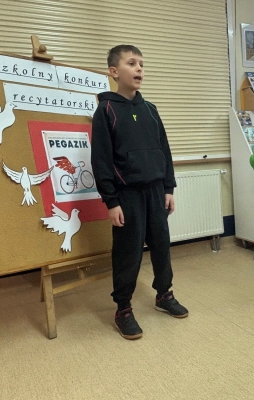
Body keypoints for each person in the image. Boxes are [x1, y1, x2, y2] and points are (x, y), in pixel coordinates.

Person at [91, 44, 188, 340]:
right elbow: (101, 160)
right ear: (114, 71)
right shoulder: (105, 110)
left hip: (156, 191)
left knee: (161, 246)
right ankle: (123, 308)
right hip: (127, 195)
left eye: (142, 64)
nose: (139, 69)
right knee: (128, 252)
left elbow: (164, 151)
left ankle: (164, 294)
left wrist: (168, 188)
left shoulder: (150, 110)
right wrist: (111, 201)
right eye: (131, 63)